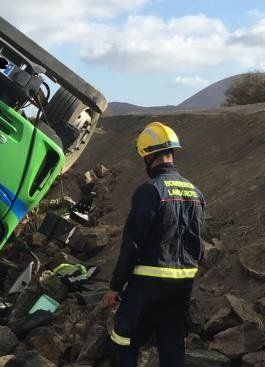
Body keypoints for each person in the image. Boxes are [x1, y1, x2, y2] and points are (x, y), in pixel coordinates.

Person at [102, 121, 205, 366]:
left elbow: (133, 243)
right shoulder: (196, 193)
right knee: (172, 345)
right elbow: (197, 244)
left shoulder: (150, 190)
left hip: (148, 281)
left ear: (148, 156)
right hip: (182, 284)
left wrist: (116, 286)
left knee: (122, 341)